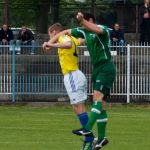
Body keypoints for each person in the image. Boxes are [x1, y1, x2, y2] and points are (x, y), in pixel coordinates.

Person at [45, 12, 116, 150]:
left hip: (99, 68)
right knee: (99, 105)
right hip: (95, 69)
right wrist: (50, 42)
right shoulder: (85, 33)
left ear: (90, 21)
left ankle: (88, 133)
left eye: (84, 22)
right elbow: (68, 33)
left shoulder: (102, 28)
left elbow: (68, 42)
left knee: (90, 102)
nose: (82, 25)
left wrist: (51, 42)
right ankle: (100, 139)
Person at [43, 23, 94, 150]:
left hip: (72, 75)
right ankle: (90, 136)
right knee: (76, 107)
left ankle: (90, 139)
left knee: (79, 106)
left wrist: (52, 43)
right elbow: (81, 41)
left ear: (54, 32)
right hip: (76, 74)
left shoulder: (63, 37)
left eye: (51, 35)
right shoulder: (71, 37)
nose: (52, 38)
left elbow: (68, 45)